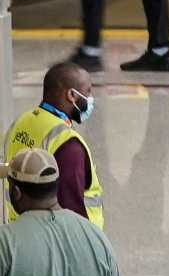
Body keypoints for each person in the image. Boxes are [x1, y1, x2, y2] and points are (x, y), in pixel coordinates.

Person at [4, 63, 99, 225]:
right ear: (72, 95)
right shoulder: (68, 144)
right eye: (88, 91)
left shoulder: (21, 122)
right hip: (55, 240)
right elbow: (72, 214)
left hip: (19, 227)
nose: (90, 98)